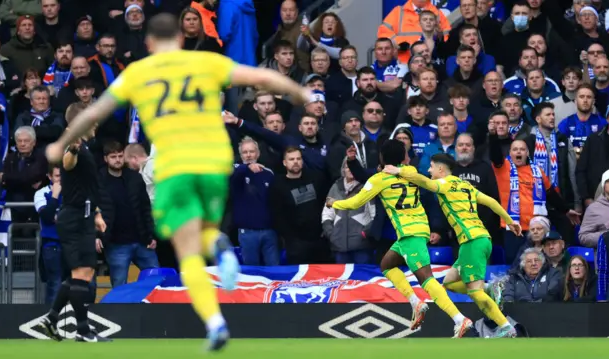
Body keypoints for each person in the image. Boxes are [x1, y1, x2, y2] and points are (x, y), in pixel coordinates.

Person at [43, 13, 311, 351]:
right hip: (214, 161)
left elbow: (94, 112)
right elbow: (260, 75)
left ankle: (215, 322)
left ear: (149, 43)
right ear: (181, 39)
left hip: (175, 167)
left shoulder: (139, 73)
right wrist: (301, 91)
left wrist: (58, 143)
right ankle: (219, 248)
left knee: (188, 254)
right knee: (207, 230)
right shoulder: (205, 61)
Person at [327, 140, 473, 337]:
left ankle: (459, 319)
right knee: (386, 265)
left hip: (409, 233)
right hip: (418, 228)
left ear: (382, 157)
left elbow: (355, 202)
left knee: (426, 279)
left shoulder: (379, 179)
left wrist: (334, 203)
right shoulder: (410, 172)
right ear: (402, 157)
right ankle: (416, 302)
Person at [383, 153, 523, 338]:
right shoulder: (465, 185)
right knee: (449, 282)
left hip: (472, 241)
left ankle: (506, 327)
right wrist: (509, 220)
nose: (429, 170)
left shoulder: (444, 183)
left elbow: (425, 182)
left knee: (475, 292)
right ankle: (490, 287)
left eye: (431, 167)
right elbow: (490, 201)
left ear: (441, 169)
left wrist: (398, 170)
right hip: (481, 239)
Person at [37, 112, 108, 342]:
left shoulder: (86, 146)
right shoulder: (73, 146)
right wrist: (74, 149)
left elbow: (85, 185)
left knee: (82, 275)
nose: (96, 124)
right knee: (82, 274)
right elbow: (67, 163)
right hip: (75, 218)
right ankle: (84, 331)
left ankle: (52, 318)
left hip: (84, 216)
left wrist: (96, 213)